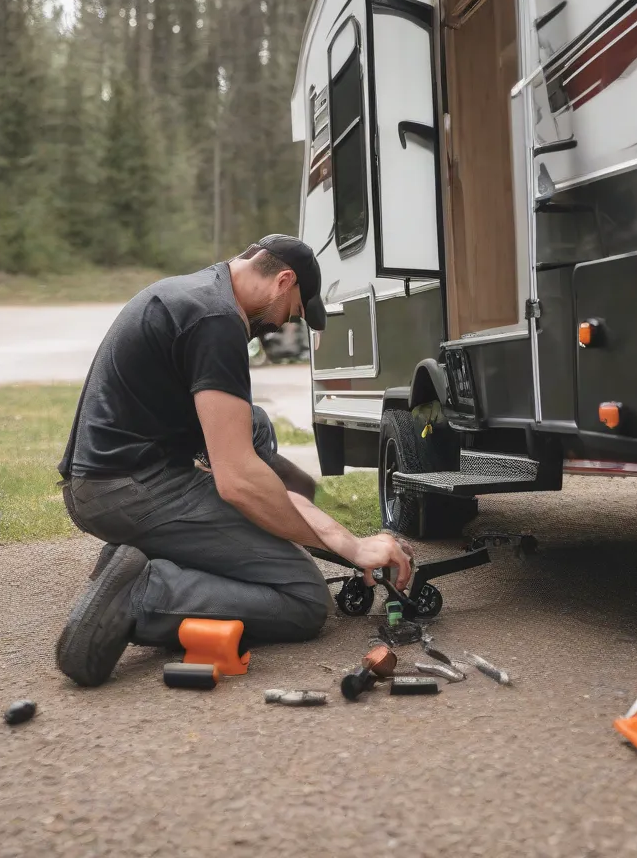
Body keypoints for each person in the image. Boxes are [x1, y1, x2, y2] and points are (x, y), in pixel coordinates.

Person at [55, 234, 412, 687]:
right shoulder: (217, 321)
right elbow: (240, 481)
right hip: (125, 490)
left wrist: (332, 534)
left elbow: (245, 467)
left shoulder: (201, 292)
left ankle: (142, 560)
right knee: (303, 599)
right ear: (284, 281)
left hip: (113, 476)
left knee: (255, 424)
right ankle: (142, 593)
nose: (285, 326)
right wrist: (353, 547)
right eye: (295, 313)